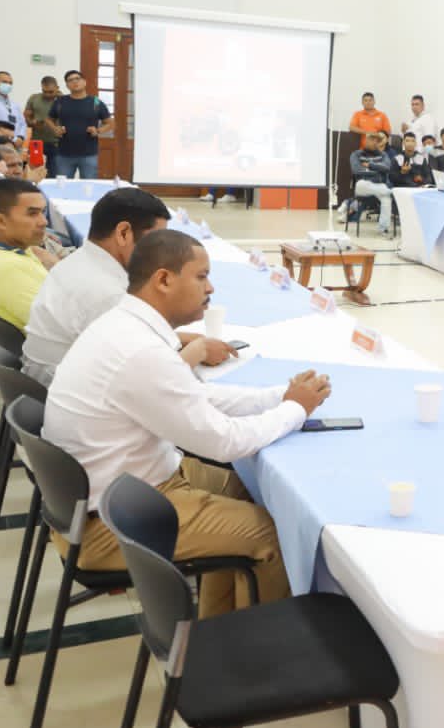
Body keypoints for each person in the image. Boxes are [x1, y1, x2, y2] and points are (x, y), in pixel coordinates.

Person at [43, 229, 333, 616]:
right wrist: (294, 410)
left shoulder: (126, 326)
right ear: (163, 279)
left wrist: (279, 396)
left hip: (126, 487)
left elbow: (193, 396)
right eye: (201, 276)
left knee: (248, 488)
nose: (210, 288)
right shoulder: (139, 350)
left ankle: (219, 622)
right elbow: (224, 442)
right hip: (112, 522)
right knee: (274, 536)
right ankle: (258, 647)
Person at [23, 189, 234, 386]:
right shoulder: (105, 292)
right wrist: (199, 351)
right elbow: (150, 380)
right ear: (123, 233)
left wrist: (188, 339)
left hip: (49, 380)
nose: (160, 252)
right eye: (155, 241)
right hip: (67, 390)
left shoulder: (83, 262)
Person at [0, 178, 56, 330]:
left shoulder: (10, 250)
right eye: (32, 214)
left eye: (43, 212)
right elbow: (58, 327)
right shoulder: (6, 269)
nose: (44, 222)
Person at [48, 70, 113, 180]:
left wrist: (98, 131)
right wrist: (55, 129)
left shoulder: (96, 102)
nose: (74, 82)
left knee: (89, 186)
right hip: (64, 154)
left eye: (77, 79)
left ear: (84, 82)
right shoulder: (60, 102)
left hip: (89, 154)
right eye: (70, 80)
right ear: (67, 85)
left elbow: (110, 123)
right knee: (63, 187)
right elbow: (48, 119)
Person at [344, 131, 394, 234]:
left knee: (386, 199)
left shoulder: (383, 155)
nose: (374, 142)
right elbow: (357, 170)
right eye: (372, 139)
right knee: (365, 185)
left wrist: (370, 165)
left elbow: (387, 168)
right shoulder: (356, 154)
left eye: (377, 141)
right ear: (365, 140)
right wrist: (377, 171)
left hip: (379, 185)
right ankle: (390, 192)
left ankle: (383, 228)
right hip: (363, 186)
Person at [25, 75, 64, 164]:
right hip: (37, 142)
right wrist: (32, 122)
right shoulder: (34, 98)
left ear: (57, 88)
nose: (47, 95)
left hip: (58, 143)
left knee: (55, 171)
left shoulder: (65, 100)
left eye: (51, 92)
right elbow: (26, 117)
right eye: (44, 91)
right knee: (35, 169)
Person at [0, 70, 27, 138]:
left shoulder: (15, 105)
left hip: (16, 142)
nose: (8, 85)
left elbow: (23, 124)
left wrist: (20, 137)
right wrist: (9, 137)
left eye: (10, 83)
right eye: (4, 82)